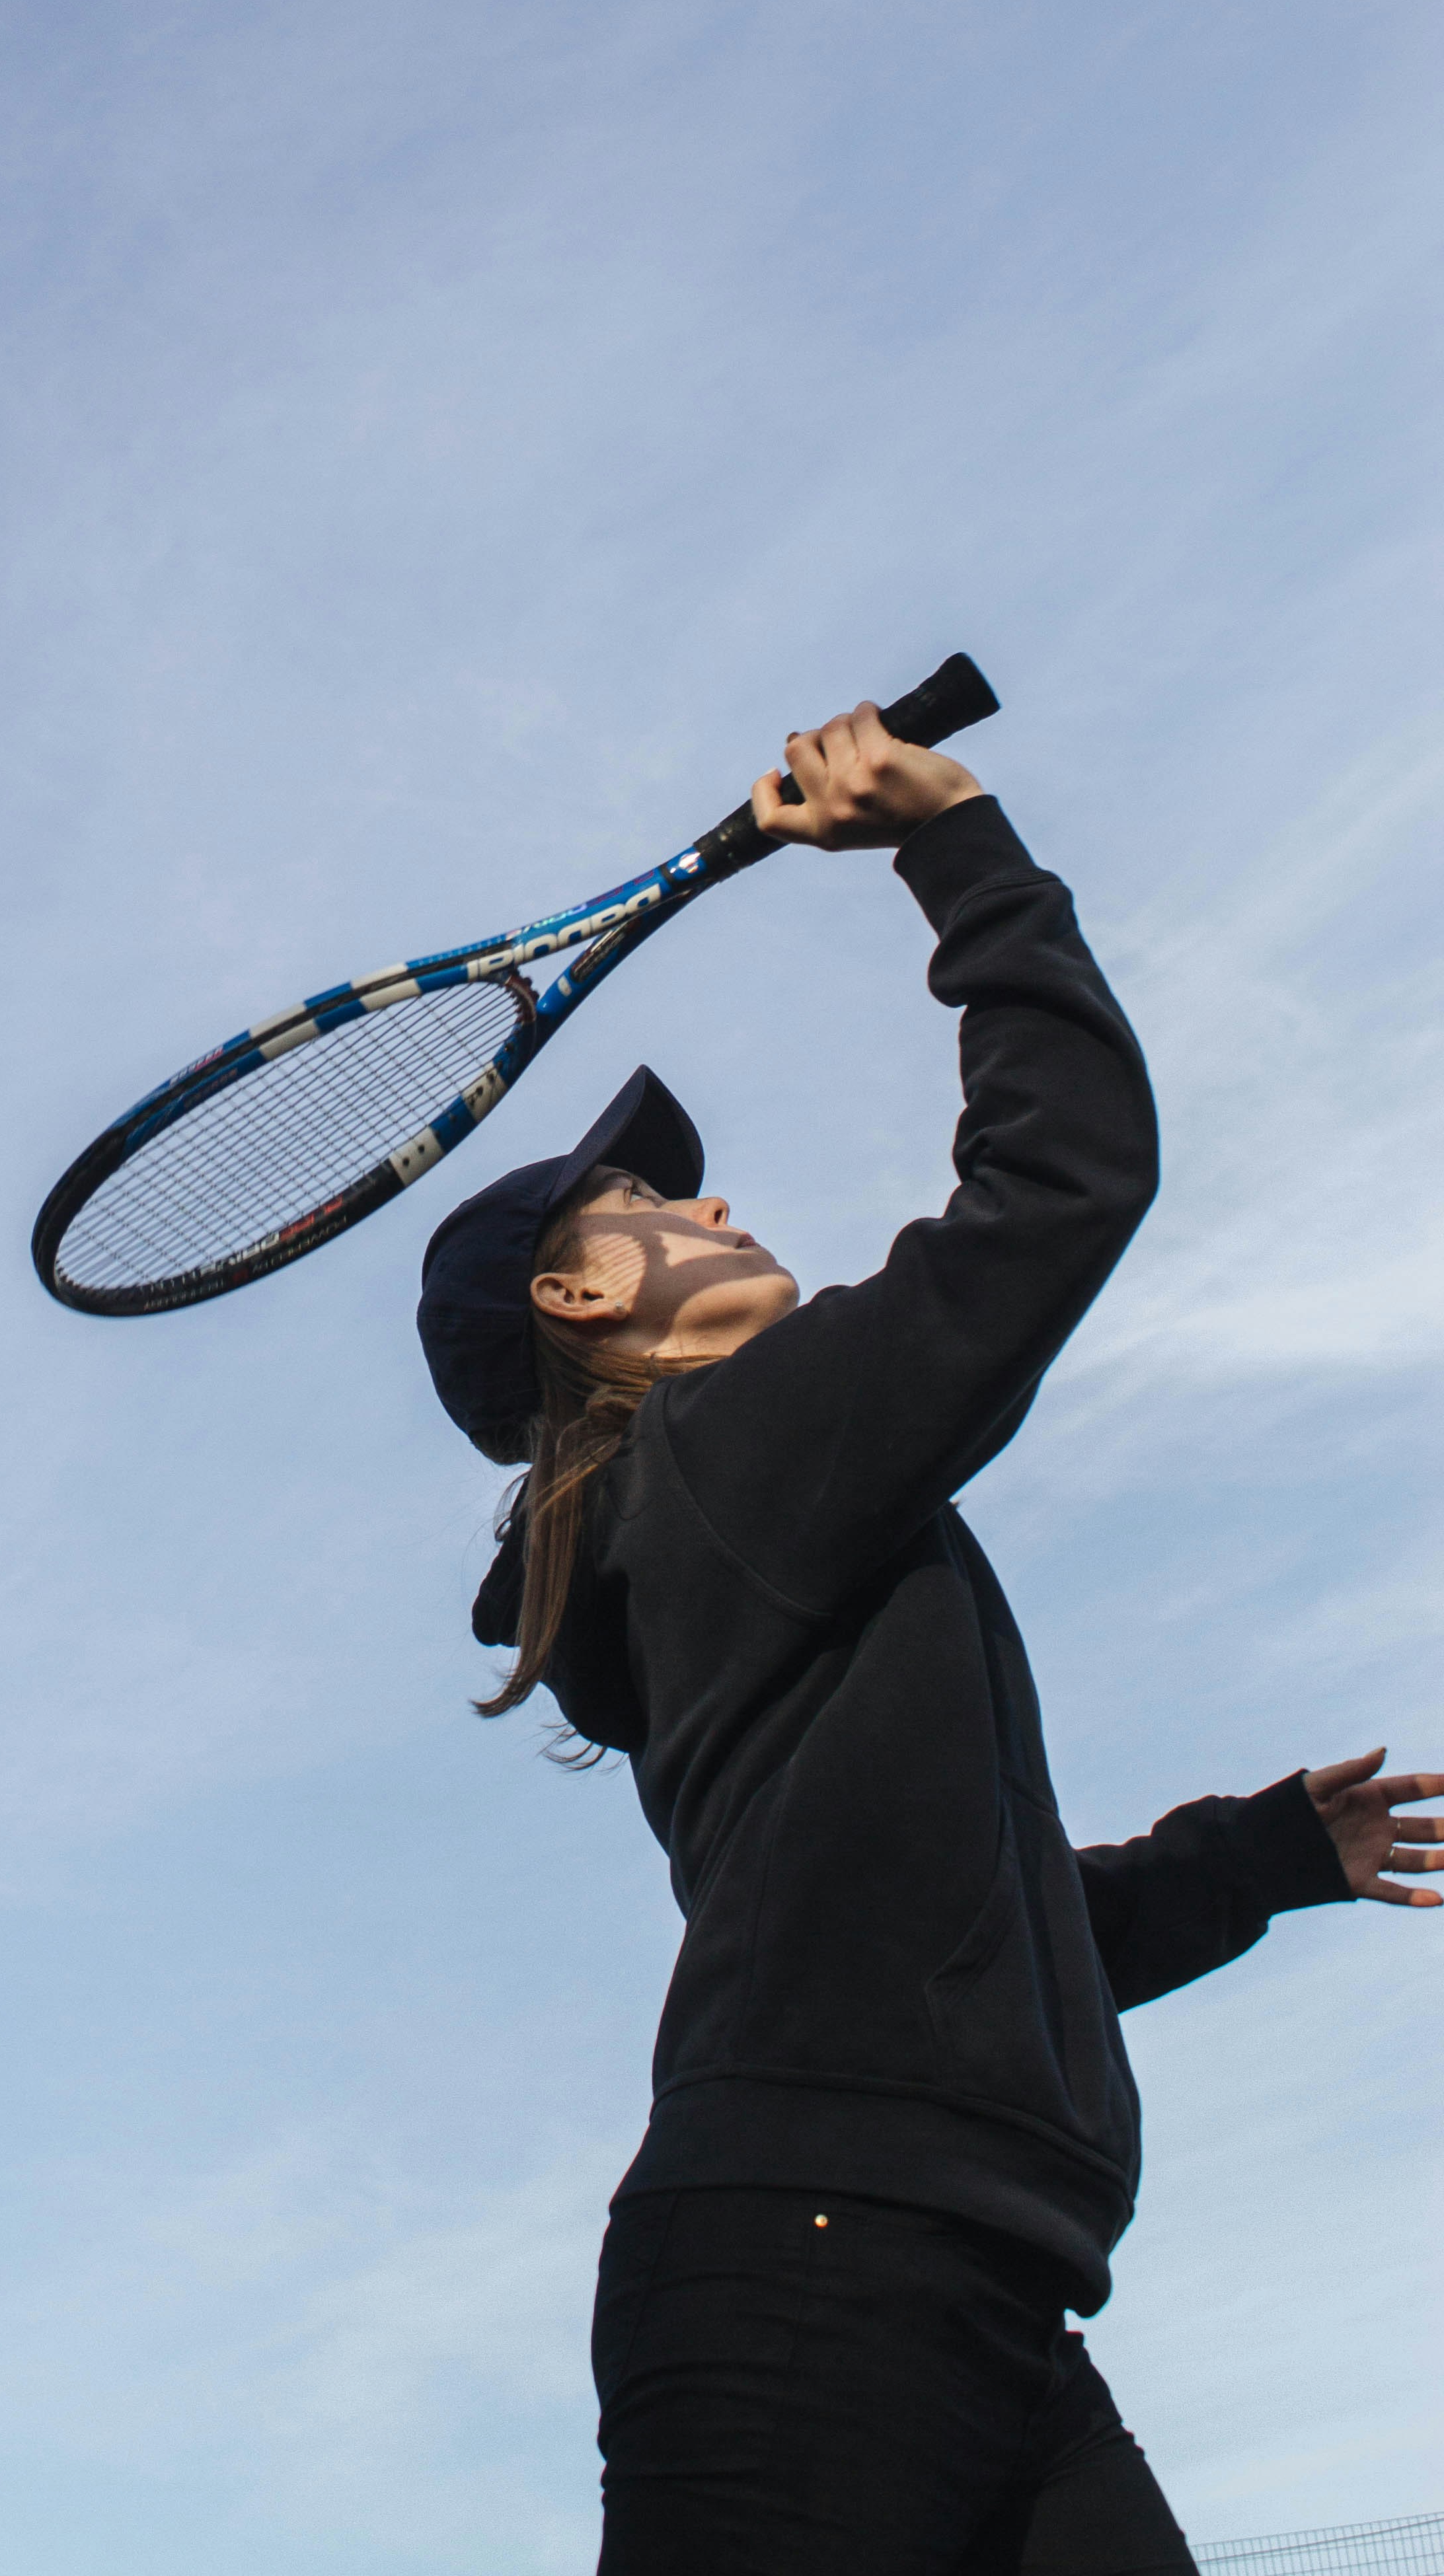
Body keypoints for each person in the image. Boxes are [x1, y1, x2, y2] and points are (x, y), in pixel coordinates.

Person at [414, 706, 1441, 2576]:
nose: (713, 1204)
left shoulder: (736, 1529)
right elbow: (1055, 1189)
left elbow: (959, 1941)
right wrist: (953, 837)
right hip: (815, 2273)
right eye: (652, 1205)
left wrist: (1257, 1859)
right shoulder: (735, 1455)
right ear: (579, 1300)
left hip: (958, 2288)